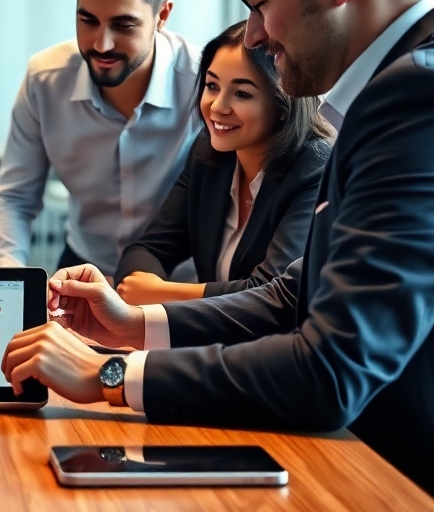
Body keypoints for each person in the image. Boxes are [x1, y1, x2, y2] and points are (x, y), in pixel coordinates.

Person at [2, 0, 434, 512]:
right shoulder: (405, 84)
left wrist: (109, 376)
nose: (254, 32)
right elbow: (300, 291)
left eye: (260, 3)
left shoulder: (423, 95)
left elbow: (331, 368)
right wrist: (135, 325)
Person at [0, 0, 201, 278]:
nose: (101, 44)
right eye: (88, 20)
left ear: (162, 16)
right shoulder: (45, 78)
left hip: (177, 281)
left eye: (124, 25)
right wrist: (7, 278)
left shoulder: (203, 80)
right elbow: (14, 198)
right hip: (83, 270)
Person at [114, 20, 333, 303]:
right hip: (213, 342)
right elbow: (147, 250)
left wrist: (162, 293)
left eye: (241, 93)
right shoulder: (209, 154)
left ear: (283, 104)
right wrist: (142, 283)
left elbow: (272, 294)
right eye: (212, 85)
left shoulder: (314, 167)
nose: (217, 106)